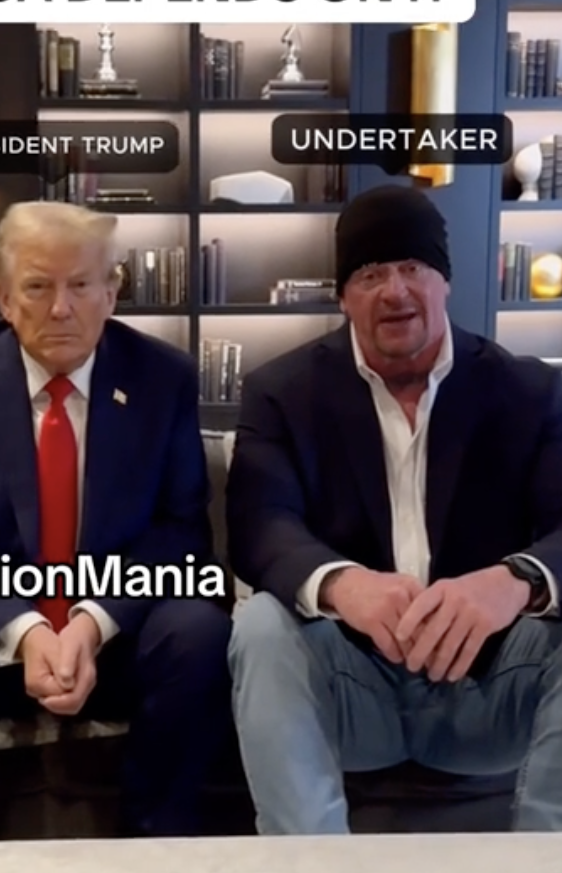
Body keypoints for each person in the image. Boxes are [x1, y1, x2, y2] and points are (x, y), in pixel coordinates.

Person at [0, 200, 231, 841]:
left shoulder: (162, 377)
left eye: (81, 285)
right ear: (5, 297)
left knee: (198, 628)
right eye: (38, 286)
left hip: (115, 638)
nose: (61, 308)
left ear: (111, 292)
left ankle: (157, 843)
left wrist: (91, 622)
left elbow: (179, 534)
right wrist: (25, 629)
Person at [226, 183, 562, 834]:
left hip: (488, 689)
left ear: (443, 280)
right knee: (261, 625)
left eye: (412, 268)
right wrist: (340, 584)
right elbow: (258, 523)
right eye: (370, 273)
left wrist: (514, 580)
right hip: (352, 692)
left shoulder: (530, 389)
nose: (394, 291)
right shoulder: (280, 391)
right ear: (343, 294)